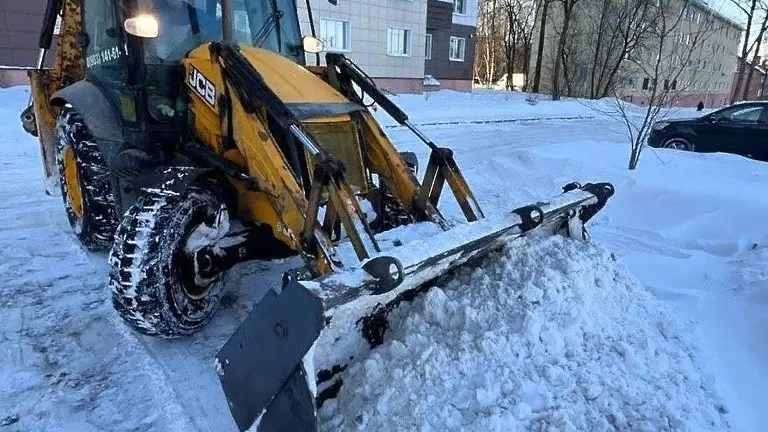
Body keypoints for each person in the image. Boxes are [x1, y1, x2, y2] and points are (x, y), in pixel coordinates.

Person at [151, 0, 220, 61]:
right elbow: (149, 43)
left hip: (192, 61)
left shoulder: (193, 13)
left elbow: (214, 28)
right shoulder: (155, 14)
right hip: (162, 63)